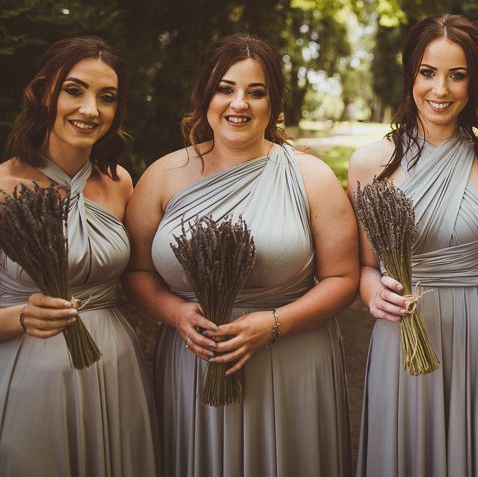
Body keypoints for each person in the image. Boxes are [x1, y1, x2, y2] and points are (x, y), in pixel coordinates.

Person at [124, 34, 358, 476]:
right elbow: (135, 272)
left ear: (274, 104)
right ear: (204, 95)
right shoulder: (161, 176)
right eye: (225, 88)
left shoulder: (311, 176)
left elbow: (343, 280)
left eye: (256, 92)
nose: (239, 104)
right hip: (194, 364)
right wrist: (174, 312)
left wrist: (272, 324)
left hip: (290, 363)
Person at [0, 37, 159, 477]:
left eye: (107, 97)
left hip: (115, 366)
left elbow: (145, 271)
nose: (90, 109)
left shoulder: (119, 184)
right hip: (26, 376)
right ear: (45, 94)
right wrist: (20, 317)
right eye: (74, 90)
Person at [349, 14, 478, 476]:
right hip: (403, 332)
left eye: (457, 75)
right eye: (428, 72)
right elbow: (366, 268)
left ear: (474, 82)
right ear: (411, 74)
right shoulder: (370, 163)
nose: (441, 89)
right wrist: (377, 295)